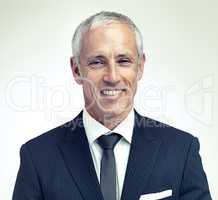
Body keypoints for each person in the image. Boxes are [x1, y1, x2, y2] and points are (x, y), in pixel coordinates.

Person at [12, 11, 212, 200]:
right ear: (76, 70)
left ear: (140, 67)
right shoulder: (37, 157)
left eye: (123, 61)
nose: (112, 77)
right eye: (97, 62)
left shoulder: (182, 151)